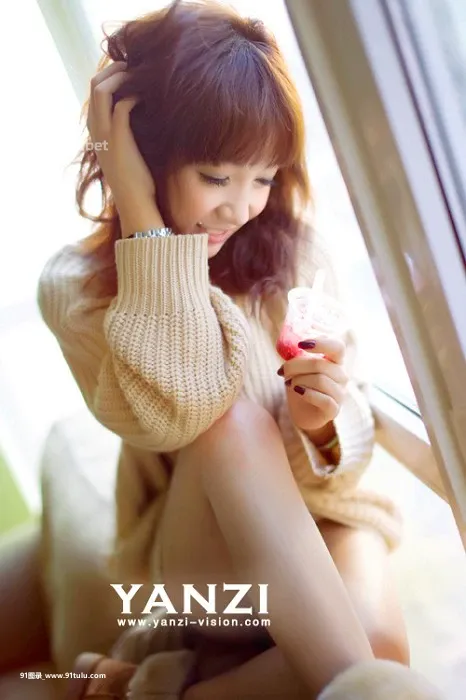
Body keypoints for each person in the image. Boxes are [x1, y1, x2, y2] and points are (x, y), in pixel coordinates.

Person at [15, 0, 442, 698]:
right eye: (216, 177)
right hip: (204, 559)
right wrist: (146, 224)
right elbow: (179, 413)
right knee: (228, 424)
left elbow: (348, 445)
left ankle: (157, 692)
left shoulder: (292, 254)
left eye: (263, 177)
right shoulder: (76, 290)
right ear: (142, 155)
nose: (240, 208)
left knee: (379, 658)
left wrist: (320, 428)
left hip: (322, 512)